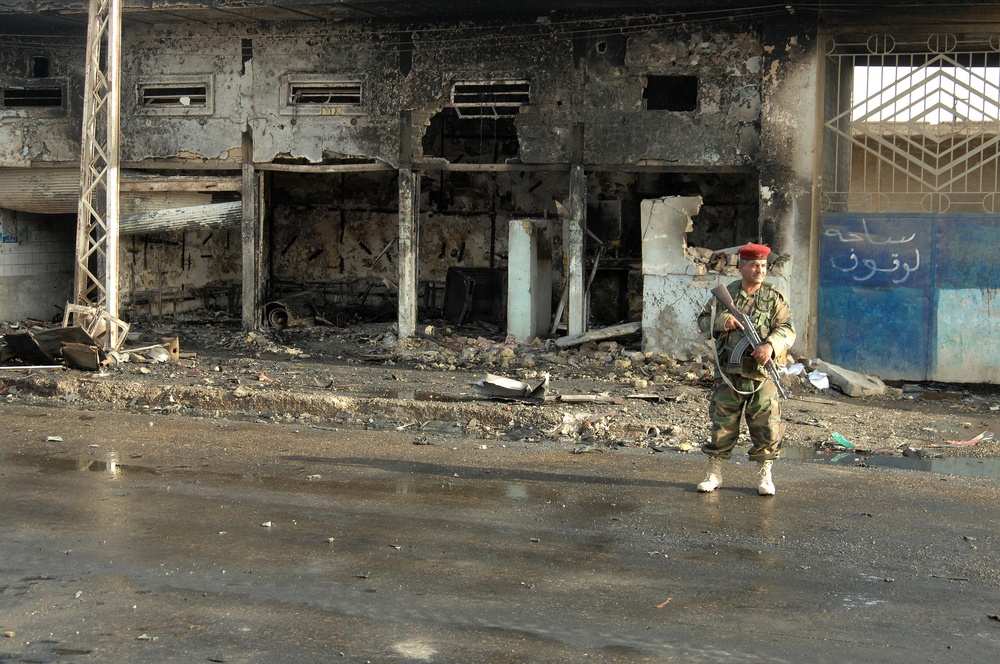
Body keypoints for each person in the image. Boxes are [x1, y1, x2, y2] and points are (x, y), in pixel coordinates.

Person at [695, 243, 795, 496]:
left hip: (761, 375)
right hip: (730, 372)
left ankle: (765, 475)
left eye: (763, 266)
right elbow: (702, 321)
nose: (760, 270)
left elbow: (787, 329)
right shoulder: (726, 294)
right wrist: (722, 321)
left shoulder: (774, 298)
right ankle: (714, 473)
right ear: (742, 267)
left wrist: (771, 346)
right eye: (754, 265)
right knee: (722, 425)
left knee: (766, 426)